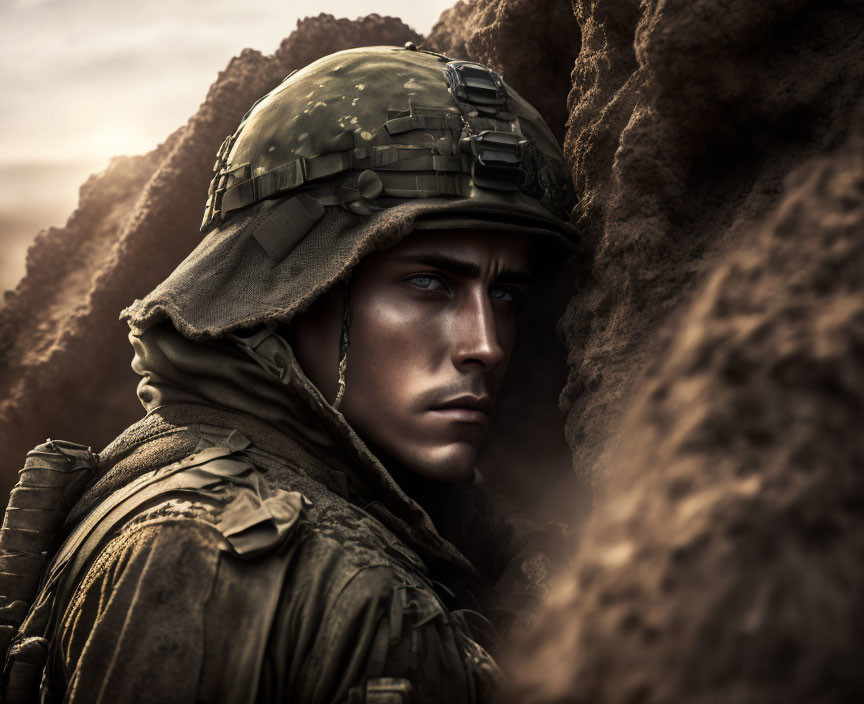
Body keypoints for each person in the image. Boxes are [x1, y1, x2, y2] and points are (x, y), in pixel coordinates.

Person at [0, 44, 579, 703]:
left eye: (505, 294)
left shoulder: (370, 503)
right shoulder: (205, 558)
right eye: (429, 284)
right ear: (295, 292)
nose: (485, 344)